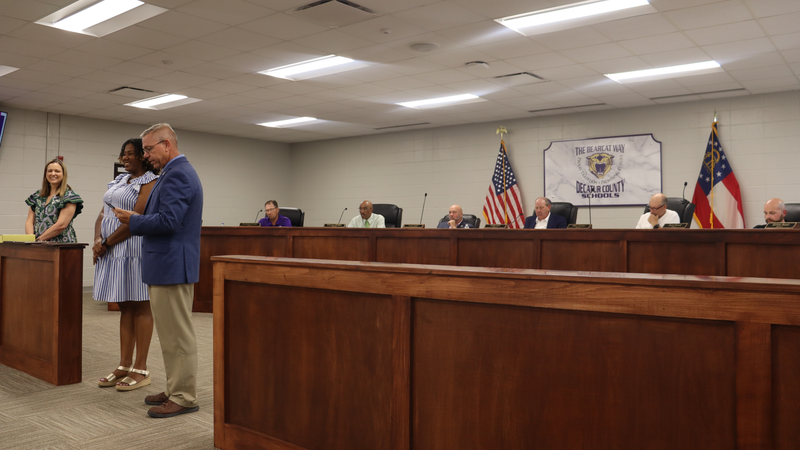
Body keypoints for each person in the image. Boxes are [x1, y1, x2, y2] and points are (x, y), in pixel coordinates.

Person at [113, 123, 203, 418]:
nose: (146, 155)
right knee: (169, 334)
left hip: (172, 266)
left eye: (149, 149)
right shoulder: (171, 173)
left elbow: (168, 222)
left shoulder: (178, 174)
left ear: (166, 144)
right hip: (167, 265)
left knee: (178, 336)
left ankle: (184, 397)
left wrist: (133, 220)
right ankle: (175, 387)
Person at [94, 138, 158, 391]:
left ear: (143, 156)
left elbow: (136, 221)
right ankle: (124, 365)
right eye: (123, 154)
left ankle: (141, 368)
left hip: (133, 251)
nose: (125, 158)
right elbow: (103, 214)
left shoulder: (150, 182)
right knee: (125, 307)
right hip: (112, 249)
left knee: (141, 306)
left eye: (131, 153)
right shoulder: (120, 181)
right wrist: (98, 239)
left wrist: (107, 243)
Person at [25, 159, 83, 242]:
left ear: (63, 174)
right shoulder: (37, 195)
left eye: (57, 171)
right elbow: (29, 221)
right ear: (45, 174)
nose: (53, 174)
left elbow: (61, 225)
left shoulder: (70, 196)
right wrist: (30, 240)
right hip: (38, 245)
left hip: (61, 245)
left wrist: (39, 240)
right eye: (50, 171)